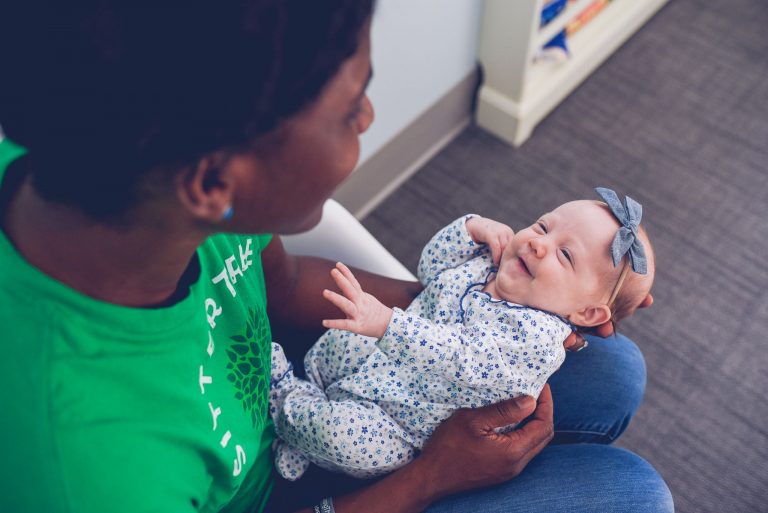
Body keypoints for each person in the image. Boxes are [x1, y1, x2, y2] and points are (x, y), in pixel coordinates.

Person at [0, 2, 673, 513]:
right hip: (305, 482)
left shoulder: (155, 175)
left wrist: (467, 303)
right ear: (213, 182)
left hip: (349, 376)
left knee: (612, 367)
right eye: (350, 107)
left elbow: (284, 283)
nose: (371, 117)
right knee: (635, 492)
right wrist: (431, 475)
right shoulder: (94, 467)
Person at [268, 191, 655, 480]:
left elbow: (462, 357)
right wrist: (469, 230)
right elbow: (429, 270)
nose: (538, 243)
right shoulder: (496, 265)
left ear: (587, 313)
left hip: (397, 424)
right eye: (543, 225)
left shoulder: (536, 342)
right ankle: (307, 409)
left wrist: (389, 324)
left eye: (565, 256)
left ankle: (288, 401)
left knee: (349, 443)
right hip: (378, 355)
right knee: (343, 338)